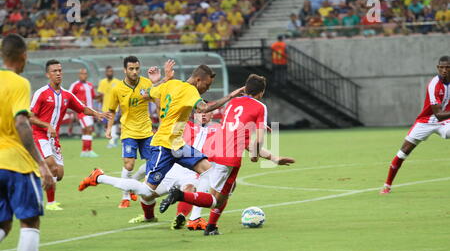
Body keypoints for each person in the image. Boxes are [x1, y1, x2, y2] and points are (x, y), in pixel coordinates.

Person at [78, 64, 245, 232]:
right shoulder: (190, 90)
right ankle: (99, 177)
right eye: (207, 85)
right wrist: (231, 96)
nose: (206, 88)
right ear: (198, 79)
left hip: (177, 144)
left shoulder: (170, 84)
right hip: (163, 145)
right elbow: (204, 108)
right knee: (146, 190)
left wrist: (162, 81)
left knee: (209, 172)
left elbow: (144, 94)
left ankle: (195, 217)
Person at [159, 74, 296, 235]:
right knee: (215, 200)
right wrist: (256, 153)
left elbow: (238, 136)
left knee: (229, 188)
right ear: (261, 92)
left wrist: (272, 157)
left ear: (246, 88)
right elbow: (258, 139)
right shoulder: (260, 107)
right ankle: (181, 195)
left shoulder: (233, 103)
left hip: (215, 152)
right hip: (229, 158)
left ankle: (211, 227)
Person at [0, 33, 54, 251]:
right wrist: (41, 164)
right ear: (23, 56)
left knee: (3, 223)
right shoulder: (19, 83)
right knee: (30, 221)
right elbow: (21, 122)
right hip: (16, 165)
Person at [30, 60, 108, 211]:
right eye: (54, 71)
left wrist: (97, 113)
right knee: (52, 167)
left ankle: (36, 177)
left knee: (59, 174)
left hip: (54, 139)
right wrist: (47, 126)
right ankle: (51, 203)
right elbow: (30, 117)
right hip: (40, 135)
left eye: (60, 70)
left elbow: (82, 108)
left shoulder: (67, 95)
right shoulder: (41, 93)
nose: (58, 73)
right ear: (48, 74)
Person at [380, 56, 450, 194]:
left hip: (445, 122)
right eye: (441, 67)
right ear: (437, 68)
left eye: (447, 67)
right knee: (404, 151)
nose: (444, 70)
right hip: (426, 121)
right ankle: (387, 185)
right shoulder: (434, 85)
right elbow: (438, 114)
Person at [103, 56, 163, 209]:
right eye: (131, 69)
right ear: (125, 70)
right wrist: (109, 128)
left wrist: (161, 120)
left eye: (137, 68)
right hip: (128, 131)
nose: (134, 71)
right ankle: (125, 196)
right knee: (129, 164)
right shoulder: (117, 88)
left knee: (152, 164)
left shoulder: (146, 83)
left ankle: (133, 182)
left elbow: (158, 99)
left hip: (146, 130)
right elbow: (111, 110)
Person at [69, 69, 103, 157]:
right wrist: (76, 111)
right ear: (79, 75)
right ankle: (89, 150)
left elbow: (93, 97)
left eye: (85, 74)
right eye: (82, 74)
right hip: (82, 111)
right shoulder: (75, 85)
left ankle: (84, 151)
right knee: (89, 128)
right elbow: (69, 97)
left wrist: (99, 96)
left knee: (86, 131)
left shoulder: (90, 85)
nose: (84, 75)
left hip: (90, 111)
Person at [97, 65, 121, 148]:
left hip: (115, 108)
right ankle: (114, 137)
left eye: (111, 71)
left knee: (113, 123)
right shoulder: (102, 82)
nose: (109, 73)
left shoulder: (117, 82)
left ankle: (112, 141)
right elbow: (100, 95)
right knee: (106, 125)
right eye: (108, 71)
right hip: (104, 108)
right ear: (106, 73)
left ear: (113, 72)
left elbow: (120, 96)